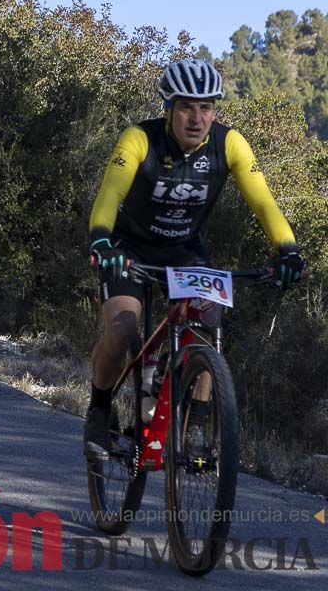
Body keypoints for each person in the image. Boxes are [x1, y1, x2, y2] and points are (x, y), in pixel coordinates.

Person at [83, 58, 306, 458]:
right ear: (168, 108)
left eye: (206, 107)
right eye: (187, 107)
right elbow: (109, 196)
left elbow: (264, 203)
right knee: (122, 326)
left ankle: (195, 426)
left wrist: (288, 251)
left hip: (185, 250)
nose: (197, 118)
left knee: (208, 324)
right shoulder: (139, 139)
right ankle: (99, 409)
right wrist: (101, 241)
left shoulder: (230, 144)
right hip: (129, 248)